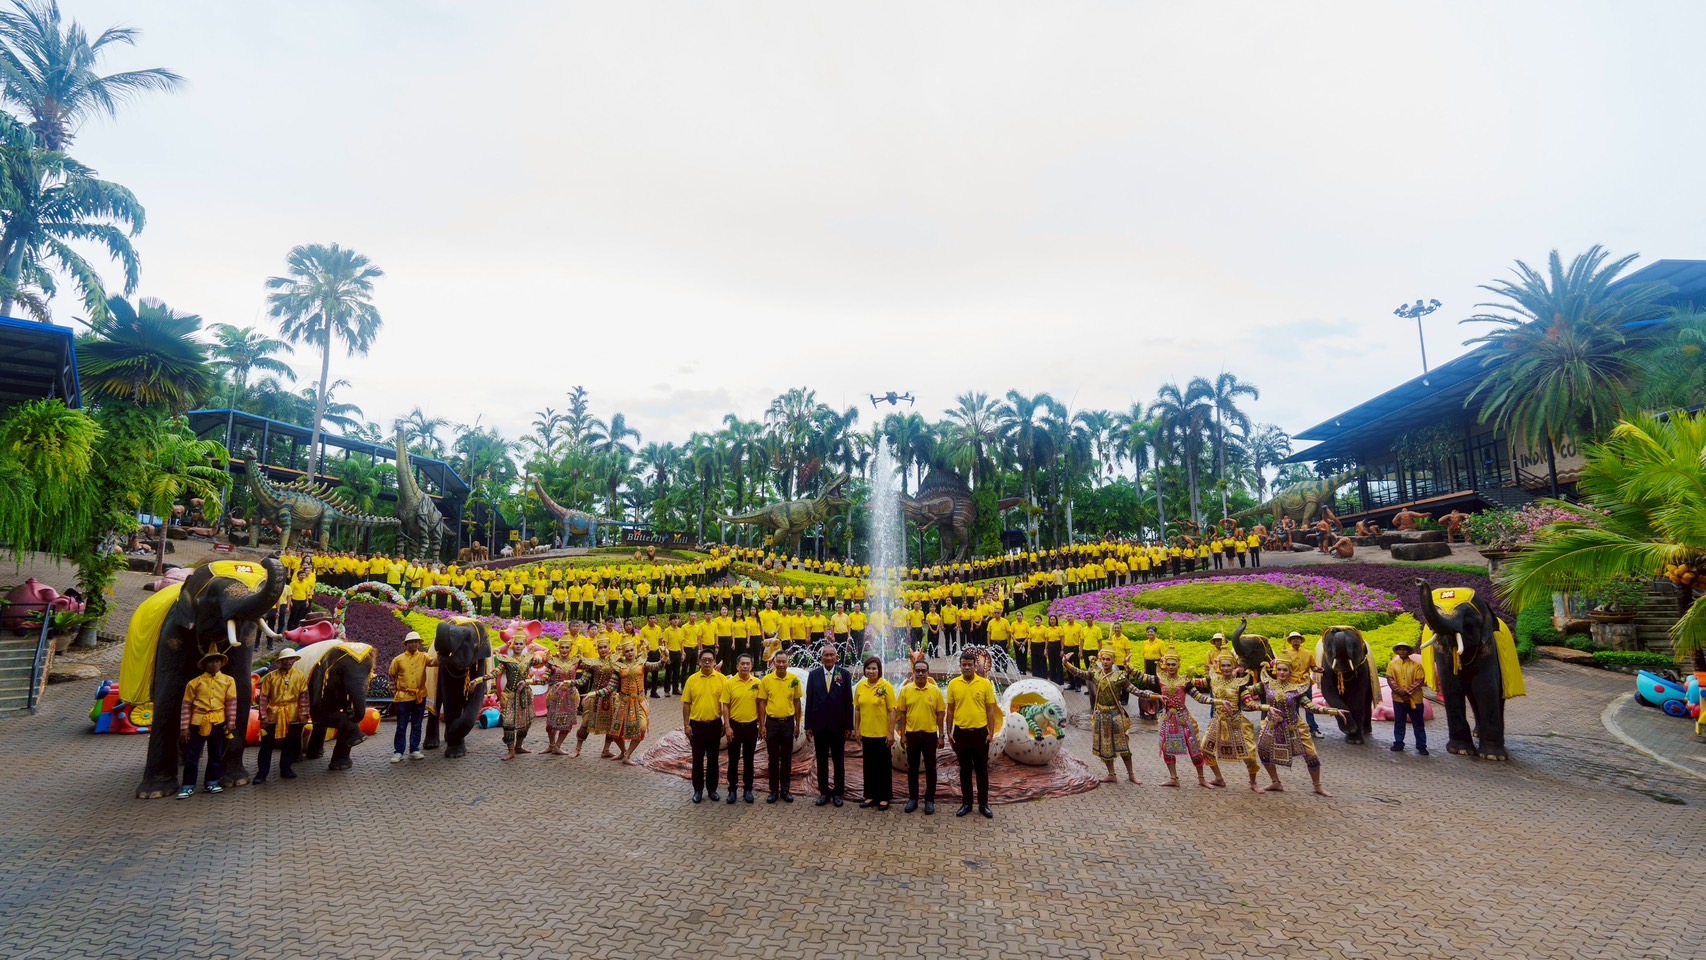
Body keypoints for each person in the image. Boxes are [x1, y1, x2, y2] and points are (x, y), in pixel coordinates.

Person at [1250, 658, 1347, 795]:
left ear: (1290, 673)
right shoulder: (1267, 684)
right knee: (1263, 751)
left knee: (1311, 755)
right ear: (1275, 671)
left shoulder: (1296, 689)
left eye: (1285, 670)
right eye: (1279, 669)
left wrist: (1333, 711)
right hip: (1272, 725)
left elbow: (1311, 707)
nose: (1282, 673)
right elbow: (1245, 692)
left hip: (1294, 726)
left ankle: (1317, 786)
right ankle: (1275, 782)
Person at [1134, 647, 1212, 788]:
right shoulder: (1160, 679)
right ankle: (1173, 778)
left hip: (1183, 718)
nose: (1170, 667)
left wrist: (1216, 702)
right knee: (1166, 748)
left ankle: (1201, 778)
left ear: (1178, 665)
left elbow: (1200, 698)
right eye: (1168, 664)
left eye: (1173, 664)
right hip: (1168, 718)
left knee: (1194, 748)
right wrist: (1128, 666)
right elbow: (1141, 677)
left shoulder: (1184, 681)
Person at [1065, 648, 1139, 784]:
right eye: (1103, 659)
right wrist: (1066, 663)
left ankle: (1131, 774)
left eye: (1108, 659)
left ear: (1113, 661)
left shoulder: (1119, 676)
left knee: (1123, 747)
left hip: (1115, 715)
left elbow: (1135, 690)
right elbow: (1080, 673)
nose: (1105, 662)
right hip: (1101, 715)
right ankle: (1111, 774)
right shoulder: (1095, 674)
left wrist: (1153, 696)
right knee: (1105, 748)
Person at [1190, 655, 1261, 791]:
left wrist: (1265, 707)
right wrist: (1186, 676)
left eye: (1229, 665)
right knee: (1205, 749)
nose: (1226, 668)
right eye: (1223, 666)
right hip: (1218, 721)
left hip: (1236, 723)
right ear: (1219, 667)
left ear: (1234, 667)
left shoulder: (1240, 684)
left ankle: (1253, 783)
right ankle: (1219, 778)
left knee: (1250, 754)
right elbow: (1195, 682)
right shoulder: (1213, 681)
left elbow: (1249, 703)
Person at [177, 650, 238, 799]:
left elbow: (231, 702)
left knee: (216, 752)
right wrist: (184, 727)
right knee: (192, 754)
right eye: (211, 661)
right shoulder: (194, 683)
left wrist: (231, 722)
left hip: (219, 720)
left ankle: (212, 781)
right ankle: (188, 785)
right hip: (198, 720)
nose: (214, 664)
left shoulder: (228, 680)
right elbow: (186, 705)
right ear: (204, 664)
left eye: (217, 661)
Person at [946, 649, 998, 818]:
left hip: (980, 733)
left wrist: (991, 732)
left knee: (982, 770)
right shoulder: (954, 684)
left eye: (970, 665)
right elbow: (950, 709)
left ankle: (984, 804)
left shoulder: (985, 684)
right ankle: (966, 803)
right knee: (965, 770)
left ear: (976, 666)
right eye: (964, 665)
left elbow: (990, 710)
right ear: (960, 666)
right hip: (961, 733)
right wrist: (948, 730)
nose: (967, 667)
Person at [805, 644, 855, 806]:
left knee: (838, 761)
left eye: (831, 655)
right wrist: (808, 725)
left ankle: (838, 793)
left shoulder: (844, 675)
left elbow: (849, 701)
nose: (828, 657)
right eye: (825, 655)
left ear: (836, 657)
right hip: (819, 726)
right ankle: (824, 792)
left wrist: (849, 726)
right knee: (821, 761)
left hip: (838, 726)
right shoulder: (813, 675)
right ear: (821, 657)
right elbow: (809, 700)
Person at [896, 659, 945, 814]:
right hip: (912, 735)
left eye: (924, 671)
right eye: (918, 671)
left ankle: (929, 800)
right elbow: (902, 714)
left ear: (928, 673)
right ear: (913, 672)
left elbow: (940, 714)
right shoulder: (906, 690)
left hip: (930, 735)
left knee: (931, 768)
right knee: (913, 768)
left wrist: (941, 735)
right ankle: (913, 799)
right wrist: (903, 734)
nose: (921, 673)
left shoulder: (935, 691)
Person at [254, 647, 308, 784]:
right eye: (285, 659)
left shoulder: (300, 676)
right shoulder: (271, 677)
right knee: (267, 745)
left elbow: (304, 696)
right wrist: (263, 715)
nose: (288, 662)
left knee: (290, 744)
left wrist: (303, 714)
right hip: (274, 715)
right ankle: (262, 773)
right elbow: (264, 697)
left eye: (291, 659)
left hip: (293, 715)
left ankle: (286, 769)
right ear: (280, 661)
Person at [852, 656, 897, 811]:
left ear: (879, 670)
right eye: (868, 668)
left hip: (882, 735)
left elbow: (892, 711)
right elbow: (857, 709)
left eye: (874, 668)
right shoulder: (860, 686)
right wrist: (856, 729)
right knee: (869, 766)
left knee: (883, 767)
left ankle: (884, 797)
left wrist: (891, 733)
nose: (871, 671)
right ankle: (870, 795)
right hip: (866, 733)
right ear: (864, 670)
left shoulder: (886, 686)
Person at [487, 629, 538, 761]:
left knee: (525, 723)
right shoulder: (506, 660)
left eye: (521, 644)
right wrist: (479, 680)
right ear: (512, 645)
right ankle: (510, 750)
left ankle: (519, 746)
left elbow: (545, 661)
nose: (518, 646)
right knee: (508, 723)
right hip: (509, 695)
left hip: (524, 695)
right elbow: (495, 673)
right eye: (516, 644)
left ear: (524, 646)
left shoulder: (529, 659)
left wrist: (528, 681)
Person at [681, 649, 725, 802]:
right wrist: (686, 725)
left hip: (714, 725)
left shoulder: (722, 679)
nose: (707, 662)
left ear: (714, 662)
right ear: (699, 662)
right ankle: (698, 790)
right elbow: (686, 704)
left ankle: (712, 790)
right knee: (697, 759)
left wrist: (726, 724)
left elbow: (726, 704)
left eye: (710, 660)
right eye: (704, 659)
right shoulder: (692, 680)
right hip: (697, 726)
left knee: (713, 759)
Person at [759, 651, 803, 802]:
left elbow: (797, 702)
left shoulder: (794, 680)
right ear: (774, 662)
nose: (782, 664)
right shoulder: (767, 680)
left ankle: (785, 790)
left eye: (784, 662)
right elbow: (762, 703)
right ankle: (773, 791)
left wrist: (798, 724)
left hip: (788, 723)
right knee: (772, 758)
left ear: (788, 663)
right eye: (779, 662)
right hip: (771, 724)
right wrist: (762, 725)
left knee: (786, 759)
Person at [722, 654, 763, 803]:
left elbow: (760, 705)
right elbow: (725, 705)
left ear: (752, 666)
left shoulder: (758, 683)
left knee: (749, 759)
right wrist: (727, 726)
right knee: (733, 760)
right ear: (737, 666)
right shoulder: (730, 683)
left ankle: (748, 790)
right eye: (742, 664)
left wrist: (761, 725)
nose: (745, 666)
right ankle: (732, 790)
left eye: (748, 664)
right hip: (734, 726)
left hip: (751, 727)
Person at [387, 632, 432, 762]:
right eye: (411, 642)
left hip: (420, 695)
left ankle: (414, 749)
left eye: (416, 642)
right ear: (406, 644)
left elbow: (434, 662)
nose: (413, 644)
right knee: (401, 725)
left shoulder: (424, 657)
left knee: (417, 724)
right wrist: (394, 692)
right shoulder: (398, 659)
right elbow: (391, 676)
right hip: (404, 697)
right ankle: (398, 751)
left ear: (419, 643)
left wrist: (443, 654)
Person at [1387, 642, 1429, 755]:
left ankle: (1421, 746)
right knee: (1399, 722)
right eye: (1400, 649)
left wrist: (1406, 692)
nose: (1402, 651)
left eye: (1404, 650)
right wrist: (1400, 692)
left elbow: (1420, 680)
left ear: (1408, 652)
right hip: (1398, 700)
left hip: (1415, 700)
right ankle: (1398, 743)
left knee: (1418, 724)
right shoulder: (1392, 665)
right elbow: (1390, 679)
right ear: (1397, 651)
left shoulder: (1416, 666)